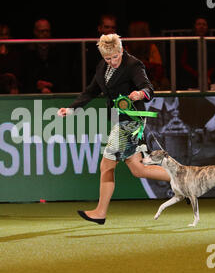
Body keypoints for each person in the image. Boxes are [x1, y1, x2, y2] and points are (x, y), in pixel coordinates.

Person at [57, 34, 170, 224]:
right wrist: (71, 108)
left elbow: (149, 88)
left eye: (115, 57)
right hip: (119, 121)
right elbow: (91, 91)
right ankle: (182, 181)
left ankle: (100, 212)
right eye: (107, 58)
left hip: (131, 122)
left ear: (121, 50)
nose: (112, 61)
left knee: (106, 165)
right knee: (138, 169)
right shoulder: (102, 67)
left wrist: (139, 94)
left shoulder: (133, 65)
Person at [21, 18, 70, 93]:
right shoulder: (28, 50)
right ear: (35, 32)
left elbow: (63, 72)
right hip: (33, 92)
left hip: (56, 91)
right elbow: (26, 75)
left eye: (47, 31)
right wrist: (39, 86)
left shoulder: (58, 49)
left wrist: (51, 84)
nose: (45, 34)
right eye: (42, 31)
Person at [177, 17, 215, 90]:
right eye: (199, 24)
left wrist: (207, 76)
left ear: (207, 27)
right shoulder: (187, 43)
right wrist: (199, 76)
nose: (201, 26)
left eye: (204, 24)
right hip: (190, 78)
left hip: (210, 78)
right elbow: (183, 63)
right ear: (194, 27)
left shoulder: (214, 44)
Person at [125, 21, 170, 90]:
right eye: (147, 30)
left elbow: (159, 69)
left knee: (163, 83)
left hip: (150, 78)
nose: (149, 32)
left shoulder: (151, 47)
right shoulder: (128, 47)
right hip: (133, 79)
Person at [85, 14, 118, 84]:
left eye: (113, 28)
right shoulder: (91, 46)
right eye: (107, 27)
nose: (110, 30)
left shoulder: (119, 46)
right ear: (99, 28)